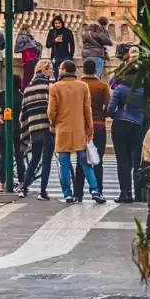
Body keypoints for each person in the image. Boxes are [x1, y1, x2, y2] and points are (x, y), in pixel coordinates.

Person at [48, 60, 104, 204]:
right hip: (80, 129)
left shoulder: (55, 88)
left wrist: (53, 122)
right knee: (86, 163)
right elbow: (87, 110)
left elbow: (51, 111)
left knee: (64, 164)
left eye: (60, 68)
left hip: (63, 129)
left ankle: (67, 194)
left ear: (64, 69)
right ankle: (95, 190)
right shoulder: (83, 86)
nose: (59, 70)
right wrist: (89, 129)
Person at [73, 59, 111, 200]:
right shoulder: (102, 86)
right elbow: (109, 106)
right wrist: (102, 115)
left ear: (83, 69)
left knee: (80, 161)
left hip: (80, 126)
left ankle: (78, 193)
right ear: (96, 70)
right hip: (99, 125)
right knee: (97, 160)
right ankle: (98, 191)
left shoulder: (77, 85)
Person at [108, 73, 147, 204]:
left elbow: (110, 109)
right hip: (136, 125)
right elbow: (149, 113)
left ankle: (125, 192)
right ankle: (138, 192)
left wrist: (115, 115)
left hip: (120, 124)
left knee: (122, 160)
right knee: (135, 159)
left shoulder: (119, 89)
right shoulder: (142, 91)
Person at [18, 62, 55, 200]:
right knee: (46, 160)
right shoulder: (48, 86)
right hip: (46, 126)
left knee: (35, 157)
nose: (52, 71)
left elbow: (24, 112)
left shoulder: (28, 88)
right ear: (43, 70)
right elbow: (51, 107)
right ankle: (42, 191)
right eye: (50, 69)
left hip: (33, 127)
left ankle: (24, 187)